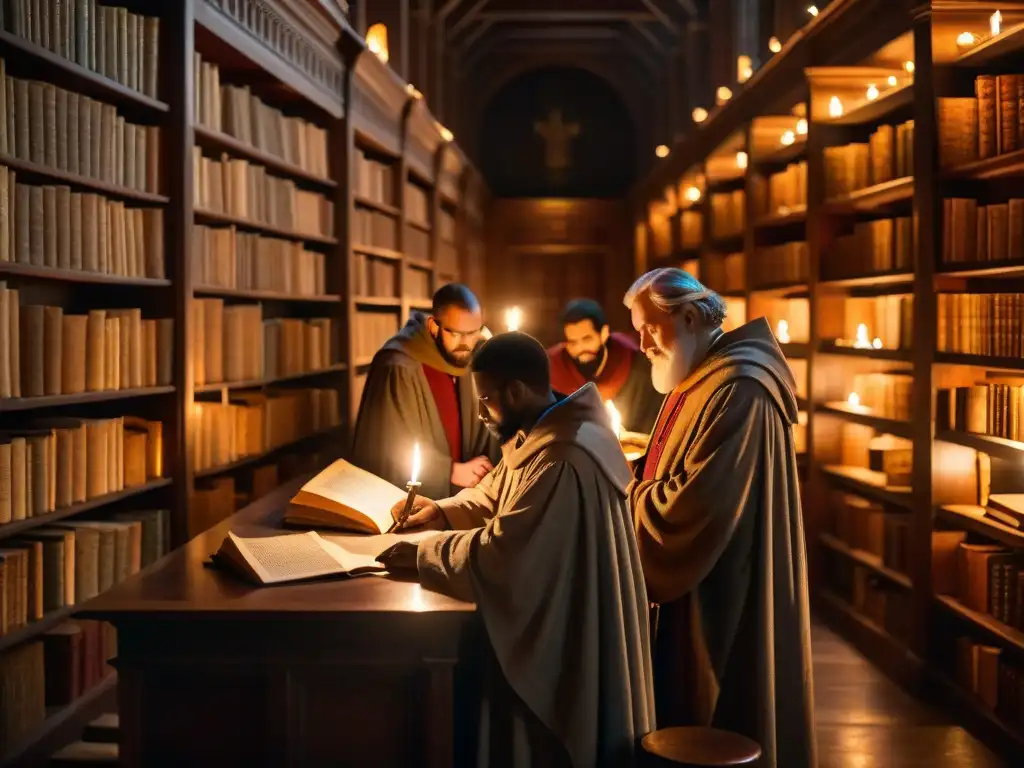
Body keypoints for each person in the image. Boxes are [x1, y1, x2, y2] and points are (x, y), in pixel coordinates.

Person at [377, 332, 655, 767]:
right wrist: (442, 511)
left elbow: (504, 555)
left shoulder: (562, 455)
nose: (482, 414)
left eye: (486, 401)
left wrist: (422, 554)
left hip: (566, 632)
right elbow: (499, 489)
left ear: (515, 392)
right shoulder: (548, 428)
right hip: (563, 607)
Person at [623, 268, 816, 768]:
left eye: (649, 327)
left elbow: (693, 510)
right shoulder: (702, 375)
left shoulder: (739, 387)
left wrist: (625, 490)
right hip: (702, 582)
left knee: (721, 705)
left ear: (688, 317)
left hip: (725, 590)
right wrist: (642, 467)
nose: (641, 343)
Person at [351, 283, 499, 500]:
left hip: (465, 497)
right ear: (433, 326)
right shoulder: (398, 364)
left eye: (473, 333)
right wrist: (449, 471)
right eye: (456, 333)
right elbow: (389, 444)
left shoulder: (472, 355)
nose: (465, 344)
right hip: (416, 499)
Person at [547, 299, 661, 433]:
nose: (580, 349)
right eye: (572, 342)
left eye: (587, 339)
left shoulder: (634, 363)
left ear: (604, 333)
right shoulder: (552, 368)